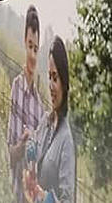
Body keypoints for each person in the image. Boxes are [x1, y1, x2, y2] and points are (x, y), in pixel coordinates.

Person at [23, 36, 76, 203]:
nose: (51, 86)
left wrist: (43, 197)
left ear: (65, 83)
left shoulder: (66, 139)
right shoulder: (46, 121)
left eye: (56, 78)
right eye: (49, 77)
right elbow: (33, 157)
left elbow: (67, 200)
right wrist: (30, 150)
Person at [8, 5, 43, 203]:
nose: (32, 54)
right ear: (24, 43)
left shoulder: (40, 103)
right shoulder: (17, 88)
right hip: (19, 195)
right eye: (30, 46)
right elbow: (11, 155)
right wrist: (23, 143)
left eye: (36, 49)